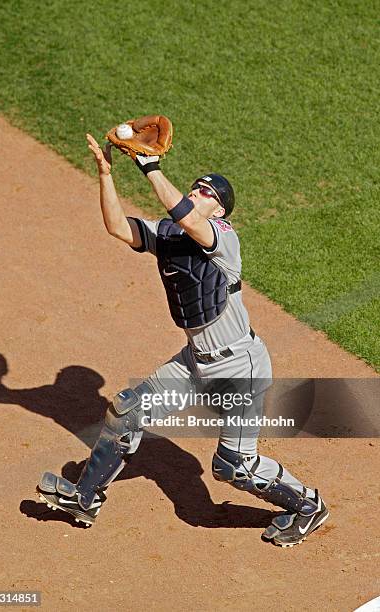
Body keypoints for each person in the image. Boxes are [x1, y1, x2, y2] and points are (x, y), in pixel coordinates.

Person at [37, 133, 329, 547]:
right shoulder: (170, 233)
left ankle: (307, 506)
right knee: (126, 410)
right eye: (197, 186)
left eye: (207, 192)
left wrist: (149, 167)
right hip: (195, 363)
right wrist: (106, 175)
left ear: (220, 209)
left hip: (238, 367)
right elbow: (118, 227)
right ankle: (85, 498)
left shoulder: (222, 238)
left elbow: (189, 218)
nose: (198, 192)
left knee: (234, 467)